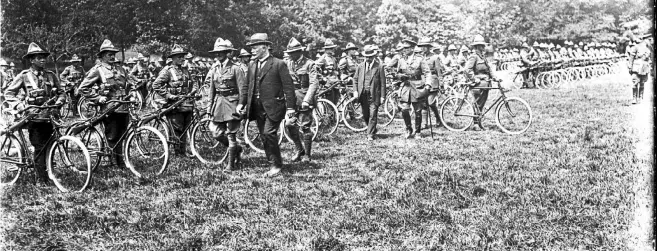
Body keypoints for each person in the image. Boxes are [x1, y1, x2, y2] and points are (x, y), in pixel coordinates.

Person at [3, 43, 65, 184]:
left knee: (50, 145)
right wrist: (19, 105)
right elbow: (9, 93)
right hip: (34, 116)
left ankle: (47, 171)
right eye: (39, 57)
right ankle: (41, 179)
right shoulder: (24, 76)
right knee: (39, 146)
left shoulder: (51, 75)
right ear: (31, 60)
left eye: (44, 57)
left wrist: (60, 101)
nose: (43, 60)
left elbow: (61, 92)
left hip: (50, 116)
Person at [238, 33, 296, 177]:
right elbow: (246, 86)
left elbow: (288, 87)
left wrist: (290, 108)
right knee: (264, 137)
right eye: (251, 47)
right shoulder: (252, 64)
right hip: (257, 107)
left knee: (269, 133)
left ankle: (277, 165)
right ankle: (272, 162)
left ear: (265, 47)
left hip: (274, 106)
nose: (252, 50)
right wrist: (241, 103)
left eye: (255, 47)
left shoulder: (278, 64)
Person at [78, 39, 135, 168]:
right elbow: (83, 88)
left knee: (122, 134)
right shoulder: (98, 70)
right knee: (112, 135)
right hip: (109, 108)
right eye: (109, 54)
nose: (112, 56)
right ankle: (114, 163)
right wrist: (97, 98)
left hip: (123, 106)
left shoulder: (120, 68)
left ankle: (120, 161)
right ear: (102, 56)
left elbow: (129, 82)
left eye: (113, 53)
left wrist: (132, 90)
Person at [205, 38, 246, 171]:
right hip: (219, 104)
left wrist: (241, 105)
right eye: (216, 53)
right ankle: (237, 149)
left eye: (221, 52)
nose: (218, 55)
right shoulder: (215, 68)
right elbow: (212, 90)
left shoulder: (235, 68)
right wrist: (209, 108)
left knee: (231, 133)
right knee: (216, 133)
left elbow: (242, 90)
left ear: (227, 52)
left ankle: (231, 165)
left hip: (232, 103)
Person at [387, 37, 432, 138]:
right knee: (404, 109)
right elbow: (397, 73)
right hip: (406, 87)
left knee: (418, 111)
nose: (404, 50)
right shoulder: (401, 60)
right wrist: (399, 76)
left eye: (407, 48)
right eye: (404, 48)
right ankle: (408, 128)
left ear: (412, 48)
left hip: (417, 86)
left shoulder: (420, 59)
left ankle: (418, 131)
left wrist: (428, 84)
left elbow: (427, 73)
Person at [284, 37, 318, 161]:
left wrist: (307, 100)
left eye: (293, 53)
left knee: (305, 127)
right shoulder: (288, 63)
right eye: (289, 53)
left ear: (299, 52)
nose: (291, 55)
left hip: (304, 99)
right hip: (292, 99)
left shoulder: (310, 64)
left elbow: (314, 83)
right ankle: (299, 149)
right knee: (289, 124)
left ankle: (307, 155)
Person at [464, 35, 501, 129]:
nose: (484, 47)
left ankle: (479, 123)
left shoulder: (482, 57)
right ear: (477, 46)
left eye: (483, 45)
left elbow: (489, 69)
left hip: (485, 84)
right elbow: (467, 70)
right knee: (477, 103)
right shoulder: (474, 57)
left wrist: (495, 77)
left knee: (482, 104)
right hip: (477, 84)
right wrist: (474, 79)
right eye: (482, 45)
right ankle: (475, 124)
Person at [352, 45, 386, 140]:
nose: (368, 58)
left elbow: (383, 83)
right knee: (366, 114)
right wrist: (355, 91)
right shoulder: (360, 66)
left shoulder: (379, 67)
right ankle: (372, 129)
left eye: (370, 57)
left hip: (375, 95)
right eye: (367, 57)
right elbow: (355, 79)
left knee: (373, 114)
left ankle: (370, 134)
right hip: (363, 95)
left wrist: (383, 96)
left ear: (374, 56)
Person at [627, 34, 652, 104]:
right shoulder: (635, 47)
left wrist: (649, 65)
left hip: (644, 67)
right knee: (635, 82)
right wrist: (630, 67)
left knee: (642, 83)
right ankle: (634, 98)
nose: (638, 40)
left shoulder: (647, 48)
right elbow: (631, 58)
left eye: (640, 39)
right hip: (636, 67)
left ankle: (640, 97)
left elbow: (649, 58)